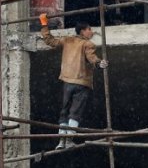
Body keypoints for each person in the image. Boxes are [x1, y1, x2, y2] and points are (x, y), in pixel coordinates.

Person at [39, 14, 107, 150]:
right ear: (82, 31)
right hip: (81, 82)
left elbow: (50, 41)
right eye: (89, 29)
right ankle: (69, 140)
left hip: (67, 81)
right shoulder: (88, 44)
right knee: (75, 112)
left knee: (64, 111)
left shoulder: (67, 41)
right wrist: (100, 63)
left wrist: (44, 24)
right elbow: (91, 57)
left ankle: (60, 141)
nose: (91, 31)